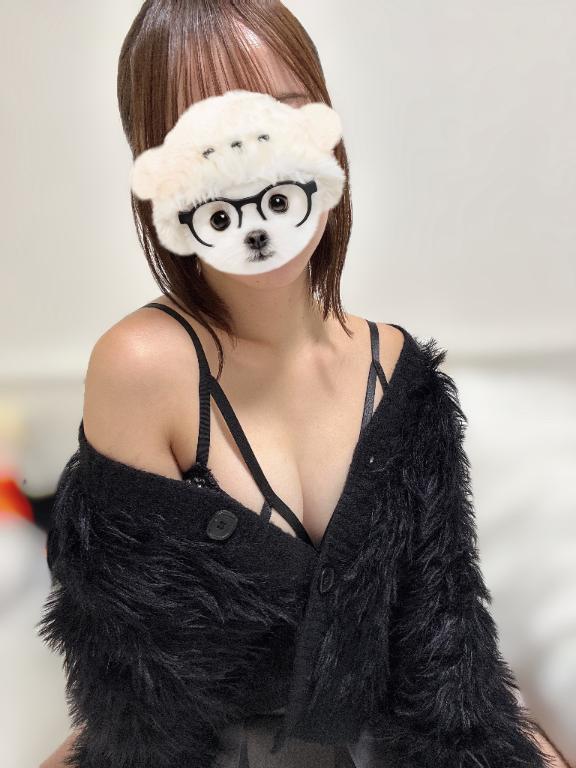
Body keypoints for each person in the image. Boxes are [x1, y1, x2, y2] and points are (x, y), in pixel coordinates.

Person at [39, 1, 570, 766]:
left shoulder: (402, 374)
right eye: (206, 138)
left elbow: (445, 646)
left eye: (278, 119)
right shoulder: (143, 366)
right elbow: (138, 695)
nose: (251, 164)